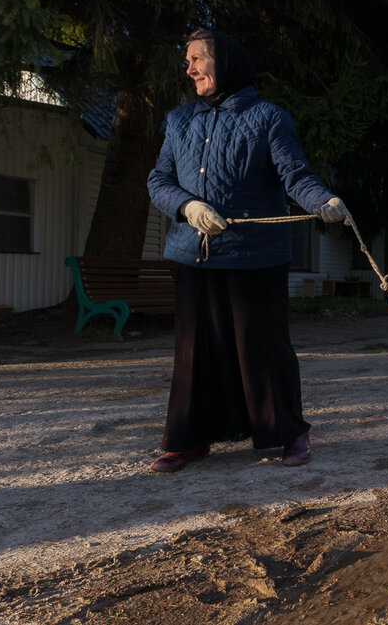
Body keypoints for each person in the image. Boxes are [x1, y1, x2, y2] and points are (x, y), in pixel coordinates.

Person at [146, 28, 347, 473]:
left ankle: (290, 433)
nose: (190, 67)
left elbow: (295, 176)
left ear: (226, 62)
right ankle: (190, 439)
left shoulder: (269, 118)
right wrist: (187, 205)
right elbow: (158, 181)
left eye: (198, 58)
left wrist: (323, 202)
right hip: (191, 255)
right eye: (188, 60)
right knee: (193, 352)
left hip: (255, 257)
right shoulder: (178, 121)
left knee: (261, 350)